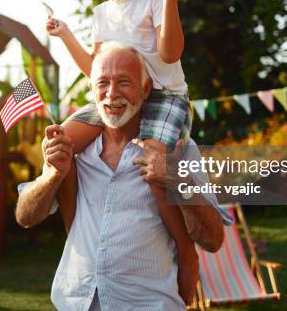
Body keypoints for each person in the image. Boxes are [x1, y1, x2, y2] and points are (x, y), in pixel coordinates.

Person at [45, 0, 198, 301]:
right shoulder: (100, 13)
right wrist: (65, 33)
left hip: (162, 98)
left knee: (153, 170)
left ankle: (186, 252)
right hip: (117, 98)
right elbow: (94, 69)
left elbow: (170, 54)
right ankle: (78, 237)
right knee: (62, 144)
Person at [16, 43, 231, 310]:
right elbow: (25, 216)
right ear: (91, 90)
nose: (112, 94)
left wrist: (178, 181)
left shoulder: (179, 151)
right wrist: (52, 176)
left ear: (145, 89)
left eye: (124, 82)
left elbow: (213, 240)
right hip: (76, 302)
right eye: (103, 83)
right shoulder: (73, 153)